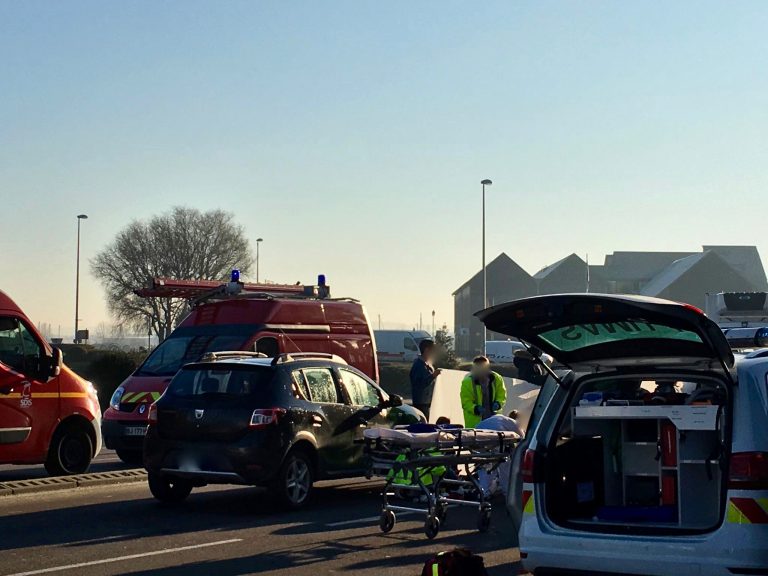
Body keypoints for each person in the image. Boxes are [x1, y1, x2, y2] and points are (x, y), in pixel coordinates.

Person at [460, 356, 507, 428]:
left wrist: (498, 403)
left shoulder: (497, 378)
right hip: (475, 424)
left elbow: (502, 395)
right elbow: (466, 402)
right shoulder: (467, 382)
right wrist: (475, 409)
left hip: (494, 421)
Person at [409, 339, 442, 420]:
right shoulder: (418, 366)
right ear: (427, 350)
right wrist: (433, 376)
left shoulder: (428, 364)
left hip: (428, 402)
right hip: (421, 403)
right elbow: (419, 385)